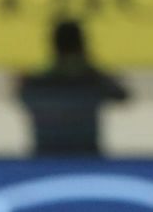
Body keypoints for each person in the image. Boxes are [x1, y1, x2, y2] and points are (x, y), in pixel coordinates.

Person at [17, 19, 130, 156]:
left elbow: (21, 96)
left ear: (54, 45)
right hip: (85, 158)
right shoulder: (95, 79)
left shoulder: (35, 81)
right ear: (82, 45)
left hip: (46, 157)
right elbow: (122, 95)